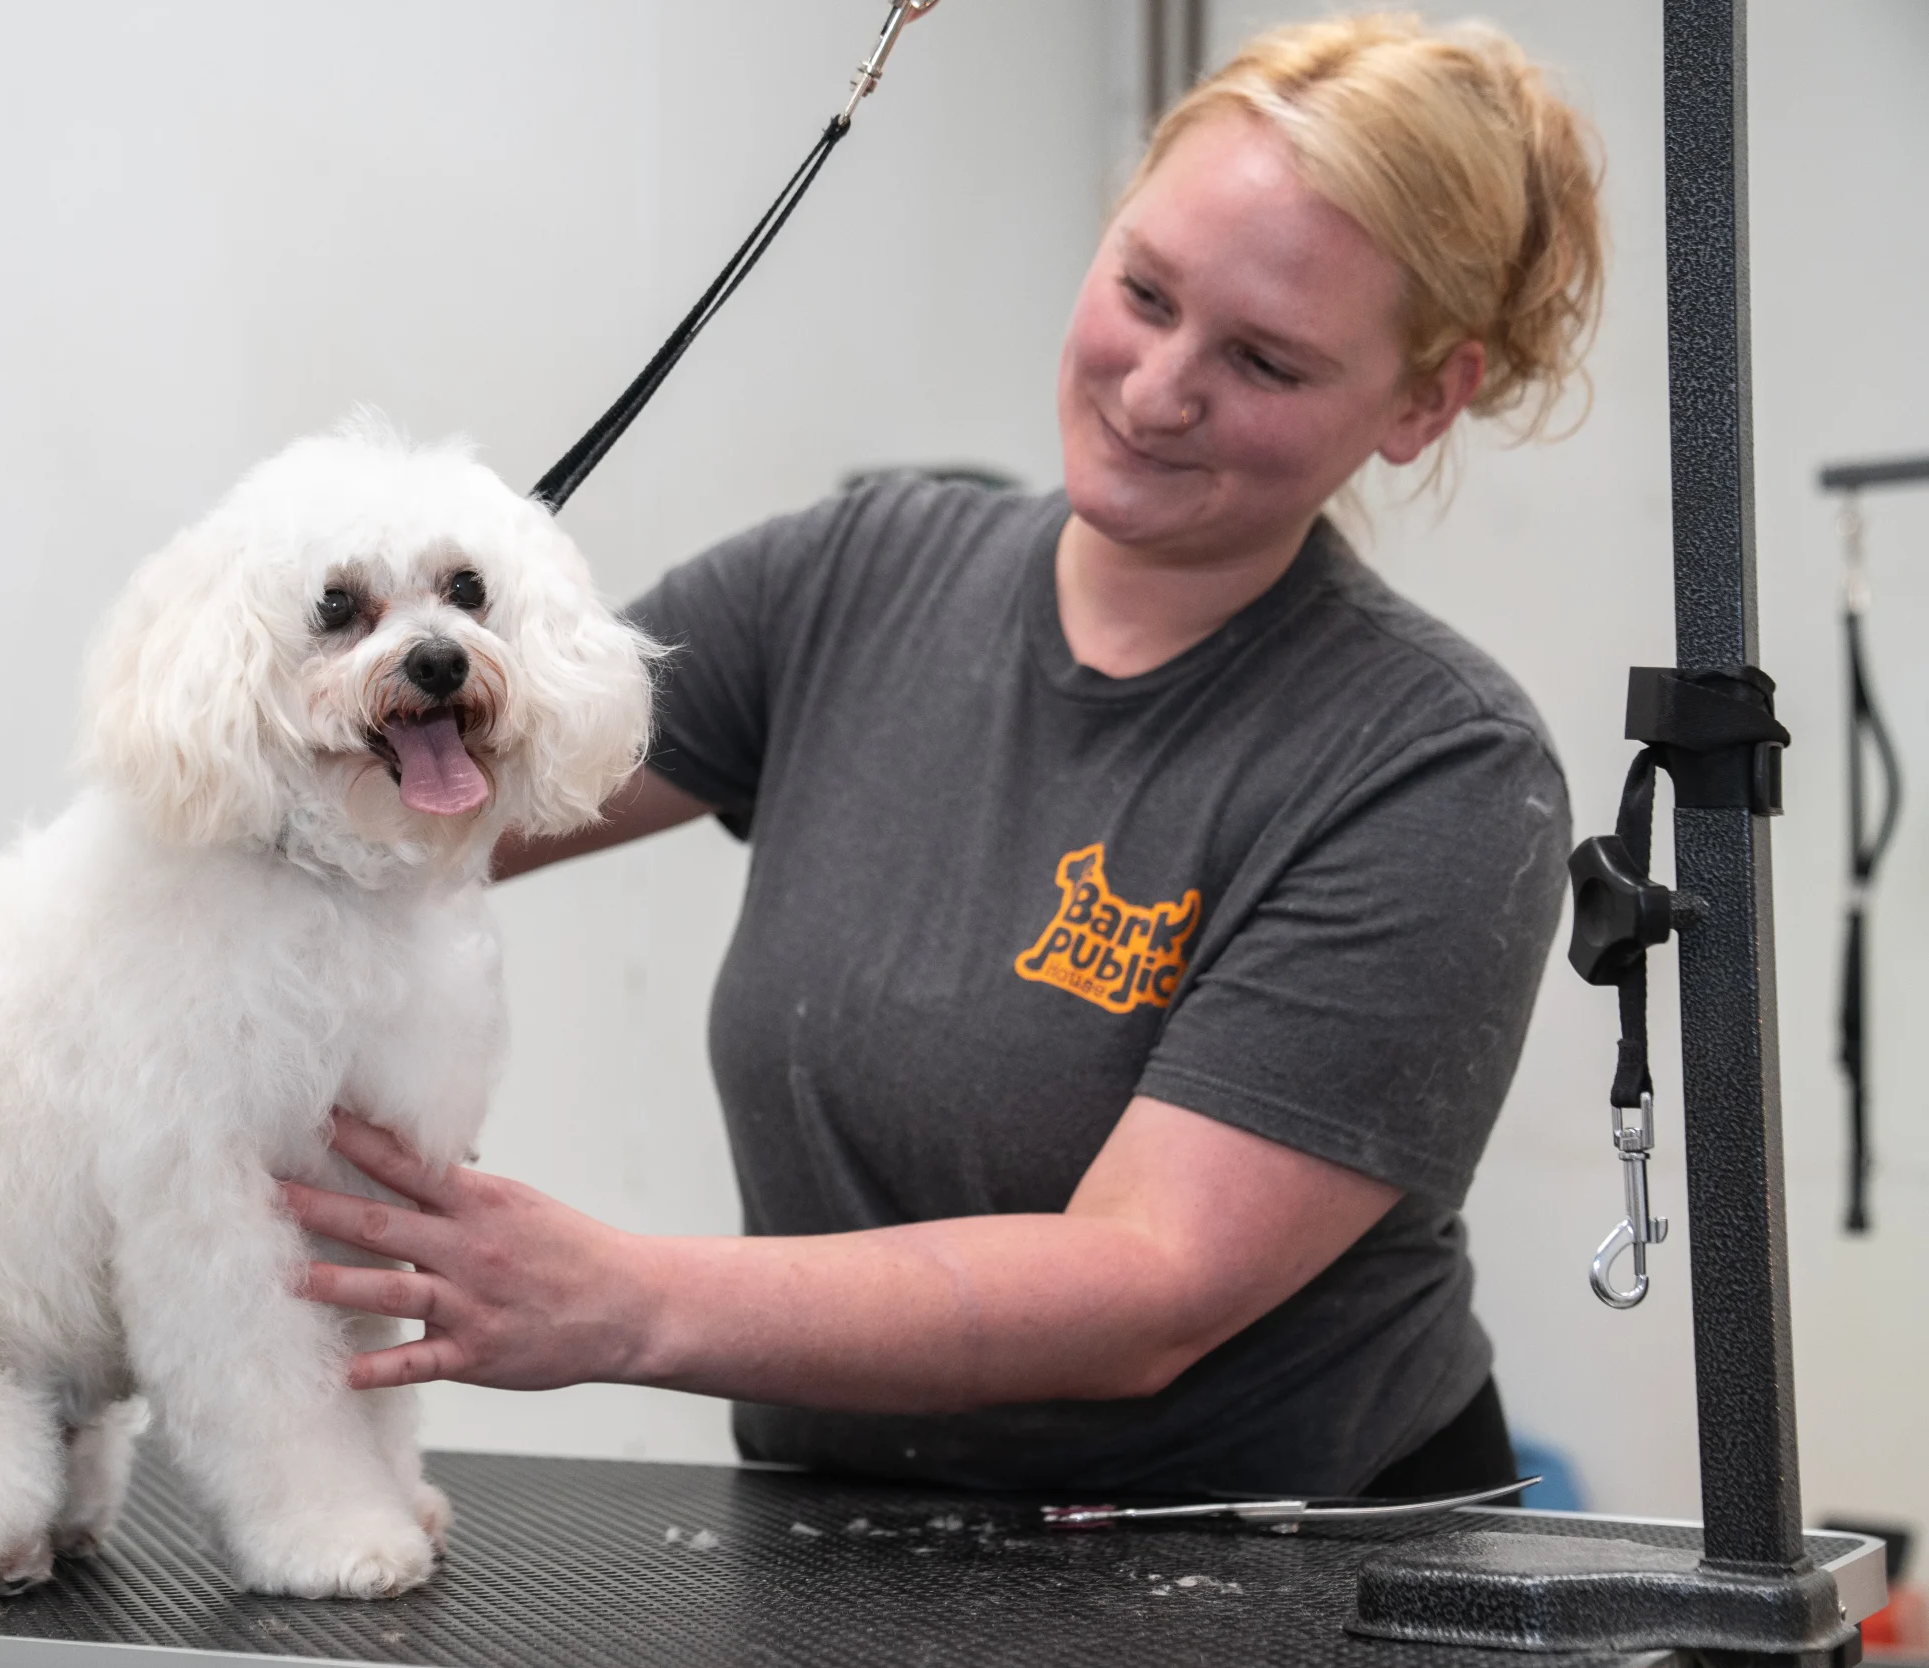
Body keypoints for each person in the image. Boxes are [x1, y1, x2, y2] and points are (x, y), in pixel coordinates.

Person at [284, 13, 1605, 1497]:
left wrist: (627, 1299)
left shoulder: (1435, 769)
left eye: (1265, 361)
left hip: (1286, 1555)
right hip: (852, 1534)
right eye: (1144, 292)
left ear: (1423, 401)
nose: (1157, 389)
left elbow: (1148, 1279)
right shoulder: (851, 579)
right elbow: (386, 811)